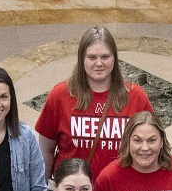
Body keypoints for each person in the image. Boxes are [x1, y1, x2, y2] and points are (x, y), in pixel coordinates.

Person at [33, 25, 154, 177]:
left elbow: (153, 146)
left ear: (114, 58)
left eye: (105, 57)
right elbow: (45, 151)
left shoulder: (136, 96)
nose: (99, 63)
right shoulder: (60, 95)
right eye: (92, 57)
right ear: (81, 59)